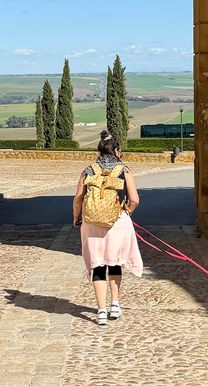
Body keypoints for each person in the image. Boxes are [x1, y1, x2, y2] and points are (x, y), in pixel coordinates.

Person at [73, 130, 143, 325]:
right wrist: (127, 210)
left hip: (92, 224)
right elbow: (135, 199)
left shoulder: (88, 170)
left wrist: (77, 218)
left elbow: (78, 199)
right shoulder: (124, 170)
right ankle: (115, 304)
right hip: (117, 222)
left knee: (98, 264)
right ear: (117, 150)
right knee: (114, 262)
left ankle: (101, 311)